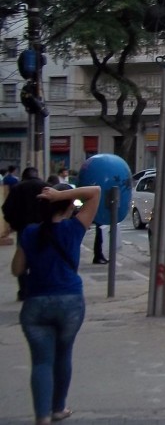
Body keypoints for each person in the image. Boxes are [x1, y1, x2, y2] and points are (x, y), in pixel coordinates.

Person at [12, 182, 101, 425]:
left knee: (41, 361)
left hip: (36, 304)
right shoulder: (74, 228)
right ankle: (58, 408)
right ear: (70, 206)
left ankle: (42, 417)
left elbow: (17, 269)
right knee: (63, 355)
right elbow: (95, 192)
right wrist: (61, 194)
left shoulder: (30, 233)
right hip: (70, 302)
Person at [2, 168, 49, 300]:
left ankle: (23, 290)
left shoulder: (17, 188)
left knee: (22, 258)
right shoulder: (46, 187)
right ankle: (39, 287)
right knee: (42, 256)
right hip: (44, 229)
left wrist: (14, 224)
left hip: (23, 229)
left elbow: (6, 208)